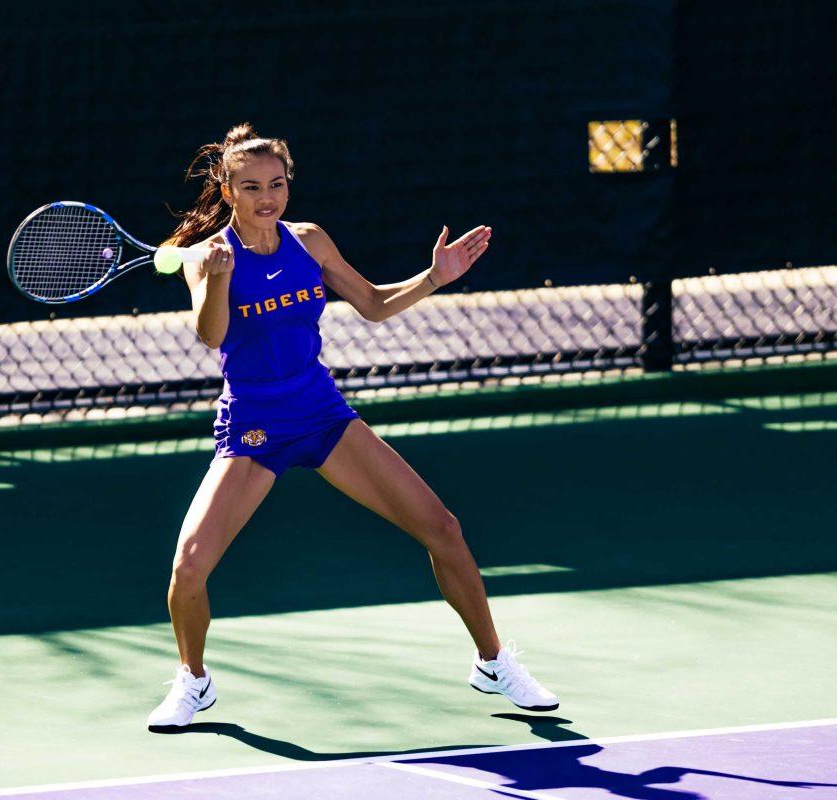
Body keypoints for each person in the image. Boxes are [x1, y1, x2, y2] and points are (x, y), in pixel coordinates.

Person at [147, 122, 558, 732]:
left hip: (322, 414)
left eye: (277, 185)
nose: (268, 198)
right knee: (189, 566)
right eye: (253, 187)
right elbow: (211, 337)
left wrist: (434, 278)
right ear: (227, 190)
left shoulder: (308, 241)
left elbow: (371, 304)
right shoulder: (208, 259)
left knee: (442, 527)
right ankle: (194, 682)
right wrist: (217, 278)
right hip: (254, 428)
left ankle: (494, 662)